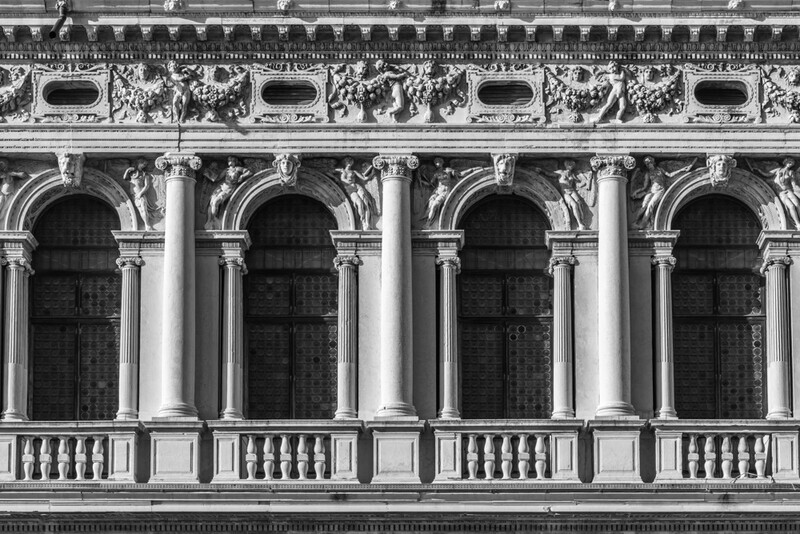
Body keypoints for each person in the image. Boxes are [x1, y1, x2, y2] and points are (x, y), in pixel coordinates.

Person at [123, 158, 160, 231]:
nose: (144, 166)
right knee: (140, 209)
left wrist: (140, 193)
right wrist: (127, 170)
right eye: (143, 164)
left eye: (145, 165)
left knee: (143, 209)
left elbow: (147, 185)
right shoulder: (132, 173)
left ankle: (147, 225)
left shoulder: (144, 174)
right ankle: (146, 224)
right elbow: (125, 178)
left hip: (140, 193)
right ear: (139, 163)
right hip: (134, 194)